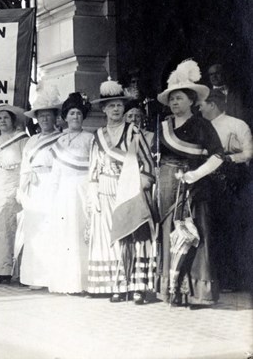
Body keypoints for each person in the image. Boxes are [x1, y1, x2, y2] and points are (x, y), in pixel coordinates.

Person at [155, 59, 224, 308]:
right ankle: (172, 290)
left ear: (192, 101)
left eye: (180, 98)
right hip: (167, 189)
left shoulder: (202, 125)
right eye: (172, 99)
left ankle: (196, 292)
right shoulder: (163, 126)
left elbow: (218, 156)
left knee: (196, 236)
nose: (175, 103)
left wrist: (195, 175)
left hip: (194, 188)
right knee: (169, 236)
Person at [87, 80, 156, 304]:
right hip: (106, 189)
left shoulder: (133, 131)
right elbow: (93, 169)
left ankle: (137, 286)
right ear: (104, 109)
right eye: (111, 106)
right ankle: (118, 284)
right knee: (113, 237)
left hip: (130, 189)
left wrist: (140, 184)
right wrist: (93, 192)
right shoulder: (97, 136)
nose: (116, 109)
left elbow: (147, 163)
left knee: (134, 235)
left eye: (119, 105)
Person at [199, 89, 253, 290]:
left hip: (233, 185)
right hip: (207, 184)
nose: (199, 108)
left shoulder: (237, 125)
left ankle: (235, 280)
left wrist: (228, 158)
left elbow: (248, 153)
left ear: (212, 104)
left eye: (202, 104)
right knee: (211, 229)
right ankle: (214, 279)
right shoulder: (200, 127)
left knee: (232, 230)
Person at [48, 93, 94, 294]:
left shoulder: (90, 138)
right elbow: (55, 171)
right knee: (65, 236)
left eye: (78, 113)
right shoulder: (59, 141)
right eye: (72, 113)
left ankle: (83, 283)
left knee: (81, 234)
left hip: (82, 188)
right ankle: (66, 283)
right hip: (64, 192)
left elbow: (94, 167)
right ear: (65, 117)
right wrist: (52, 196)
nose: (75, 117)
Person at [18, 84, 62, 290]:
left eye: (48, 116)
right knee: (34, 232)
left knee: (51, 230)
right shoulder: (31, 141)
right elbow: (25, 168)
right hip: (35, 188)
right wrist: (22, 190)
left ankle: (52, 277)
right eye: (41, 116)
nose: (44, 120)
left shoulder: (62, 138)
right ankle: (35, 277)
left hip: (53, 185)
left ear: (55, 117)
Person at [0, 104, 29, 285]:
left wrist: (22, 189)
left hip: (14, 186)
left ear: (12, 120)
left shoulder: (22, 139)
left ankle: (12, 270)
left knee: (10, 228)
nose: (2, 121)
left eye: (6, 118)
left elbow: (26, 165)